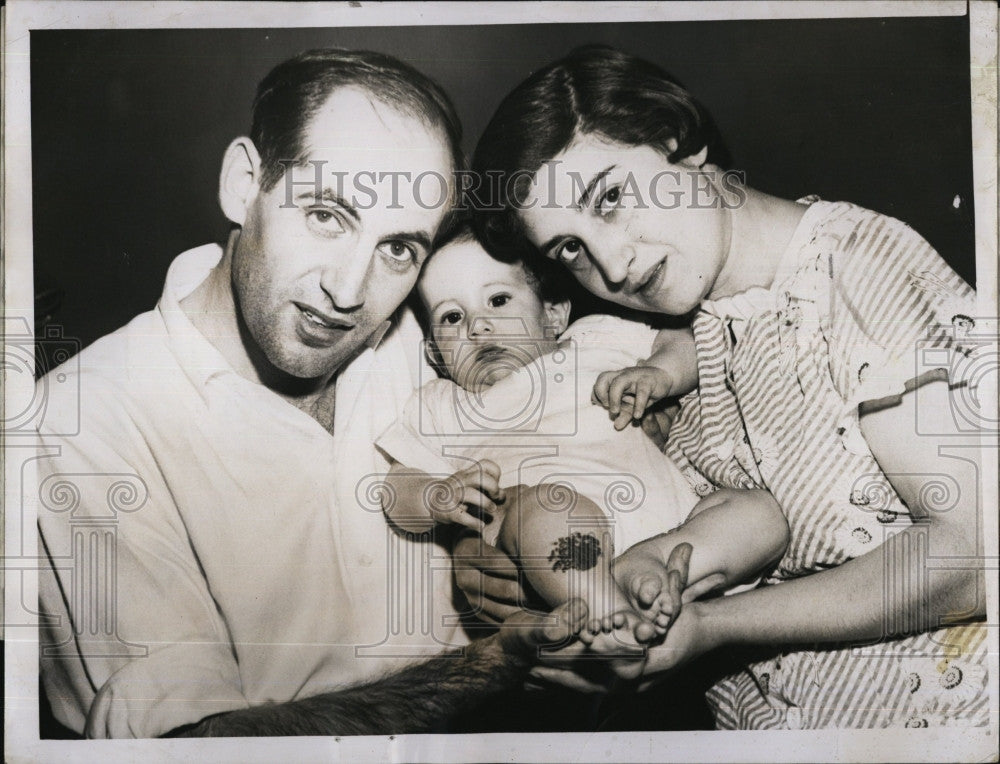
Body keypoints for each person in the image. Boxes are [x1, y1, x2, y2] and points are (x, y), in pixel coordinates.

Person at [465, 44, 991, 728]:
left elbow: (974, 551)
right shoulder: (662, 350)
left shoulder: (859, 264)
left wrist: (715, 627)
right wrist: (527, 583)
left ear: (677, 139)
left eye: (612, 200)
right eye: (569, 249)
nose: (613, 265)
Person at [36, 47, 519, 739]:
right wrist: (495, 664)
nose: (350, 292)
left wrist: (487, 557)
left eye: (398, 249)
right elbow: (200, 746)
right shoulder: (78, 424)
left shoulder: (422, 337)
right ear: (243, 184)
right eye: (327, 214)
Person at [376, 224, 789, 675]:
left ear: (553, 316)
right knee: (550, 510)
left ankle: (642, 573)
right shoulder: (443, 404)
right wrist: (438, 497)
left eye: (498, 300)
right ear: (435, 354)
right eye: (451, 317)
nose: (478, 326)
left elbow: (688, 341)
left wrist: (660, 373)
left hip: (669, 537)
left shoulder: (594, 341)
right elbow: (397, 487)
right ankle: (612, 620)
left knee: (762, 512)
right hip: (552, 551)